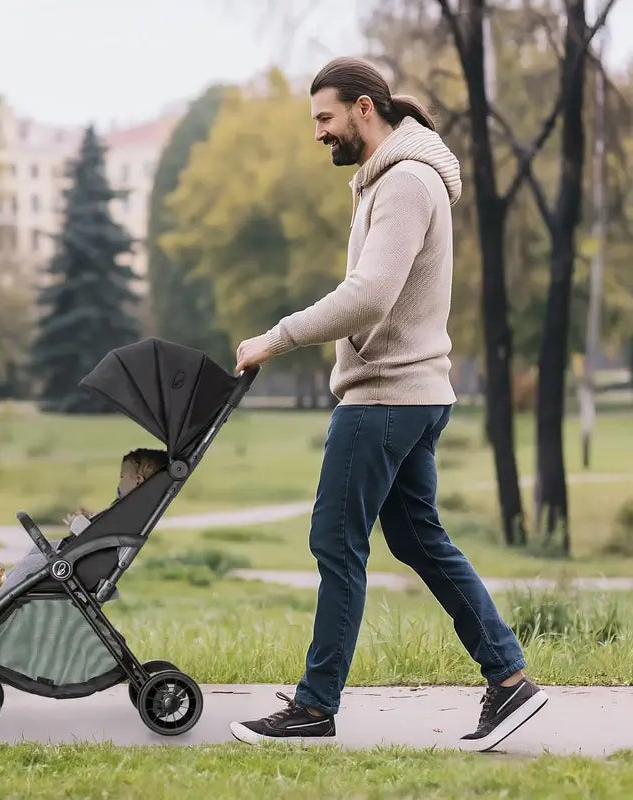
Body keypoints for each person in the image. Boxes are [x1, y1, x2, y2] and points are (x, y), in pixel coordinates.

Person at [229, 57, 547, 753]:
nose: (317, 132)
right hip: (411, 393)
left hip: (384, 399)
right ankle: (510, 678)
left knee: (335, 543)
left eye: (324, 117)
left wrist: (275, 338)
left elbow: (369, 295)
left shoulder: (404, 182)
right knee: (414, 538)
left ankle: (314, 708)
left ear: (365, 109)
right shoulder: (390, 178)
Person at [0, 448, 169, 614]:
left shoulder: (128, 511)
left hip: (82, 567)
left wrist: (78, 524)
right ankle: (6, 579)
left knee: (33, 564)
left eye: (123, 476)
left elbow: (97, 537)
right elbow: (102, 529)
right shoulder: (129, 508)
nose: (119, 481)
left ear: (138, 480)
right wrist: (89, 518)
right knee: (36, 553)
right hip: (83, 558)